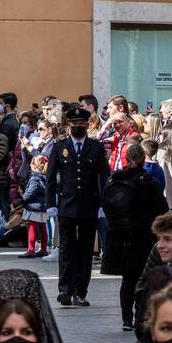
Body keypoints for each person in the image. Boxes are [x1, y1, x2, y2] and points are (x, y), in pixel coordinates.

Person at [46, 104, 108, 308]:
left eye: (81, 123)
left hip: (90, 206)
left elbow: (104, 177)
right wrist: (50, 204)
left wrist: (103, 204)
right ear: (69, 125)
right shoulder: (59, 147)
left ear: (87, 125)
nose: (78, 126)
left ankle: (81, 292)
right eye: (74, 124)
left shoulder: (96, 147)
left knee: (84, 251)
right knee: (66, 249)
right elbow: (50, 179)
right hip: (66, 205)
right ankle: (65, 290)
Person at [101, 140, 168, 330]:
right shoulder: (148, 182)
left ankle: (126, 319)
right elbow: (162, 209)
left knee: (128, 279)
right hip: (144, 235)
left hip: (120, 234)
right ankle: (142, 315)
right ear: (142, 159)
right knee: (146, 276)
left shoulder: (114, 179)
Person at [19, 154, 50, 257]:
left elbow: (31, 193)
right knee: (43, 228)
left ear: (34, 166)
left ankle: (31, 250)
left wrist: (23, 199)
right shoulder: (47, 177)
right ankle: (44, 249)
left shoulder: (35, 178)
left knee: (31, 227)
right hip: (43, 207)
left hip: (34, 207)